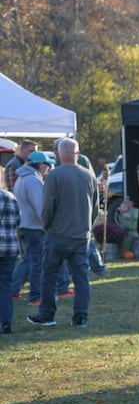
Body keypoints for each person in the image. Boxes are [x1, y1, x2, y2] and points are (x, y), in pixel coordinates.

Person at [28, 139, 98, 329]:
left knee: (49, 275)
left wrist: (47, 225)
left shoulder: (54, 175)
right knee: (81, 278)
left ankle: (47, 314)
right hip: (81, 237)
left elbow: (48, 206)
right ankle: (81, 317)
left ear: (58, 154)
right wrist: (86, 227)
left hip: (57, 235)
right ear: (77, 153)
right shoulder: (89, 176)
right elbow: (96, 209)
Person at [14, 150, 50, 306]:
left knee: (27, 260)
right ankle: (35, 296)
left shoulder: (21, 178)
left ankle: (12, 290)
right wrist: (47, 224)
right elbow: (40, 207)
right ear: (40, 165)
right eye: (47, 164)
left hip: (24, 225)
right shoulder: (34, 181)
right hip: (35, 227)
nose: (49, 167)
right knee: (37, 263)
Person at [0, 181, 18, 333]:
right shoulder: (10, 197)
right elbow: (18, 220)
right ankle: (6, 323)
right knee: (5, 285)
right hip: (9, 247)